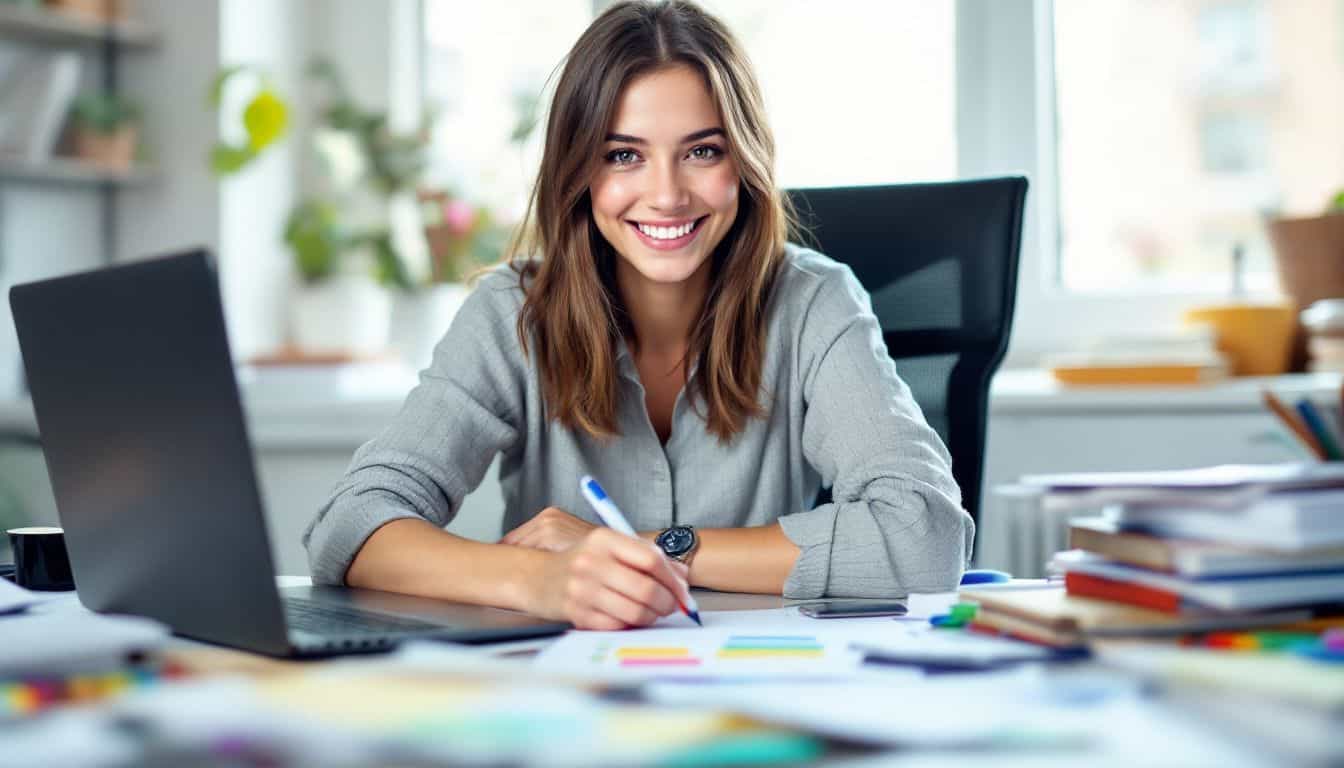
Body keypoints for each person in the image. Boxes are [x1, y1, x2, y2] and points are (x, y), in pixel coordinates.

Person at [304, 0, 972, 631]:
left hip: (755, 685)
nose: (666, 194)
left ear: (744, 161)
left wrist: (638, 548)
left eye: (702, 151)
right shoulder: (512, 313)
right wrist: (540, 581)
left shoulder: (814, 302)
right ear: (578, 171)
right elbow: (351, 524)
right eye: (624, 155)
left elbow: (925, 537)